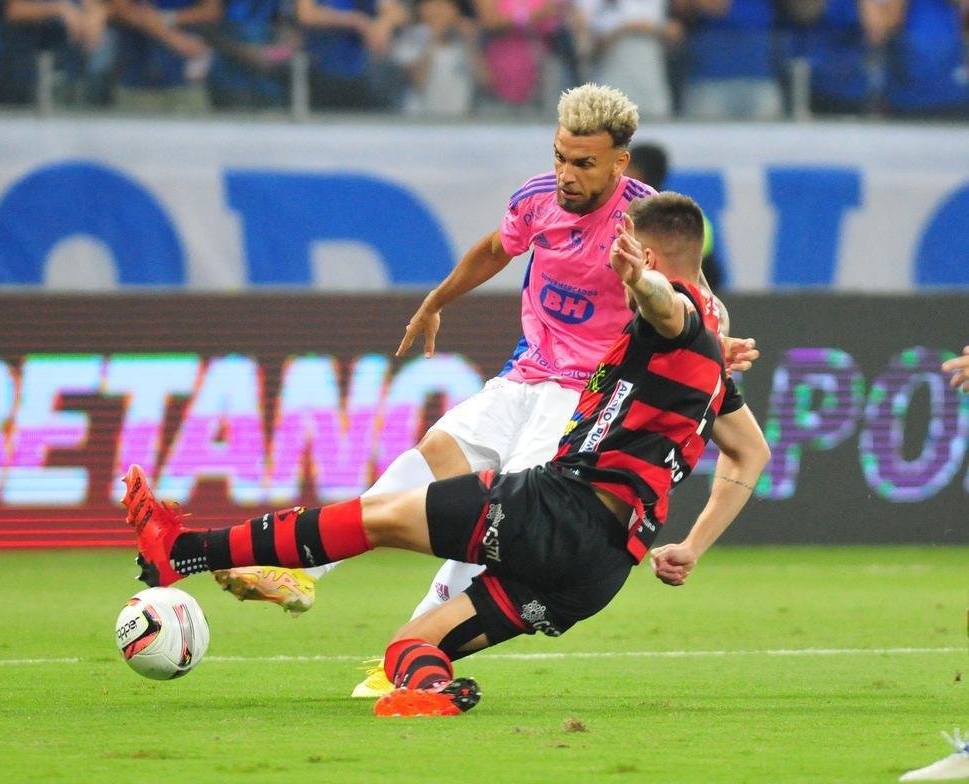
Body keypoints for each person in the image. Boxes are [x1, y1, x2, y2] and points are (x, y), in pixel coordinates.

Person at [121, 191, 771, 717]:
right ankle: (432, 690)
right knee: (410, 647)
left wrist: (647, 281)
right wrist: (694, 546)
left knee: (378, 517)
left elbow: (668, 306)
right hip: (600, 571)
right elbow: (749, 455)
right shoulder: (711, 371)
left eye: (624, 253)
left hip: (561, 510)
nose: (615, 269)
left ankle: (185, 549)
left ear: (651, 255)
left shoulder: (672, 316)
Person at [217, 83, 757, 699]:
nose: (567, 173)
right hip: (526, 374)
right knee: (426, 459)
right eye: (560, 156)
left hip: (583, 400)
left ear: (619, 162)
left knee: (496, 527)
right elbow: (495, 249)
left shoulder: (641, 218)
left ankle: (409, 655)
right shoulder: (537, 198)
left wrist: (719, 346)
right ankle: (304, 572)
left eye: (583, 163)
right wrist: (436, 301)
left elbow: (694, 295)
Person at [626, 141, 725, 288]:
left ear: (638, 174)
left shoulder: (628, 218)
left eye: (626, 168)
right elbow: (711, 275)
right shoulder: (692, 216)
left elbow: (706, 271)